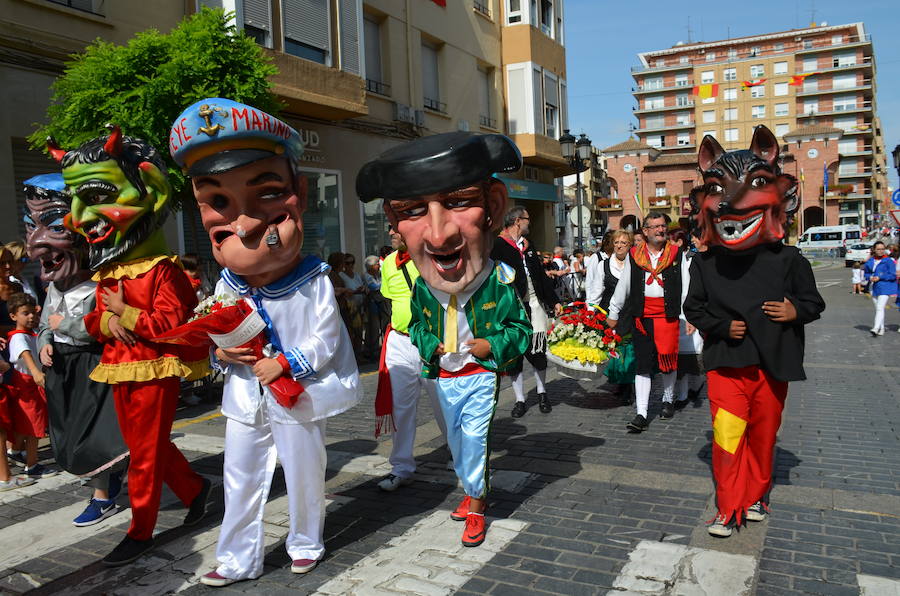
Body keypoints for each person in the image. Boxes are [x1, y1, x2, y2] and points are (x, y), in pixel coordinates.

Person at [170, 98, 361, 587]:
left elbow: (327, 336)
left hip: (295, 395)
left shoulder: (313, 278)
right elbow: (217, 330)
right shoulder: (225, 284)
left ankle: (306, 542)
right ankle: (237, 558)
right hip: (243, 396)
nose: (246, 224)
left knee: (303, 474)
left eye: (266, 196)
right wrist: (221, 353)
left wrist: (287, 364)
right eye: (218, 203)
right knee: (239, 478)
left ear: (297, 193)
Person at [357, 131, 531, 548]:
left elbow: (521, 330)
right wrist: (425, 340)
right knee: (454, 439)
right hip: (442, 373)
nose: (438, 236)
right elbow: (415, 324)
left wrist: (494, 347)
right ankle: (471, 490)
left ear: (493, 208)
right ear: (394, 222)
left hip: (478, 373)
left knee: (473, 438)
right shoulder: (421, 287)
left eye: (457, 202)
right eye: (413, 210)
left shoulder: (498, 283)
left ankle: (477, 505)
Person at [56, 126, 211, 566]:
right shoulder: (108, 273)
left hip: (154, 369)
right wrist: (104, 317)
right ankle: (196, 490)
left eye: (93, 196)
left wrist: (123, 313)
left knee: (143, 452)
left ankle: (140, 530)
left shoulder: (165, 270)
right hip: (116, 365)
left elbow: (168, 324)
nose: (79, 218)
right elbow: (92, 320)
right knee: (147, 446)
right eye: (75, 202)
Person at [685, 125, 825, 537]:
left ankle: (757, 495)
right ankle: (728, 508)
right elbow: (693, 308)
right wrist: (722, 326)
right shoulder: (706, 263)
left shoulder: (790, 261)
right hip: (728, 365)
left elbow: (814, 304)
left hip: (772, 365)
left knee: (763, 438)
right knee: (728, 437)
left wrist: (793, 309)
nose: (730, 201)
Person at [24, 173, 128, 526]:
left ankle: (103, 495)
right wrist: (45, 343)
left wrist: (63, 328)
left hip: (93, 367)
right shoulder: (54, 288)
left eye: (54, 227)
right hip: (62, 370)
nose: (36, 244)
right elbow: (43, 325)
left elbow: (106, 330)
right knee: (71, 437)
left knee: (94, 437)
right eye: (30, 226)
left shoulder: (102, 284)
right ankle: (114, 478)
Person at [372, 228, 447, 492]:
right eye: (389, 226)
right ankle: (401, 467)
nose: (391, 231)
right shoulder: (390, 262)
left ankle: (461, 456)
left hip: (430, 343)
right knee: (401, 407)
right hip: (400, 341)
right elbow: (393, 300)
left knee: (443, 404)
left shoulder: (433, 258)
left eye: (396, 226)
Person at [607, 213, 689, 433]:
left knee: (667, 361)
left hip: (669, 316)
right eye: (655, 227)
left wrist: (688, 316)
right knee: (642, 363)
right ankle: (641, 412)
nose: (660, 230)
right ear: (645, 231)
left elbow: (686, 287)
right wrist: (613, 311)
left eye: (663, 226)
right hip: (642, 316)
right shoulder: (635, 255)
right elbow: (623, 285)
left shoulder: (676, 253)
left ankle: (668, 399)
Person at [491, 206, 561, 418]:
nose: (529, 223)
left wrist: (554, 300)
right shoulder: (497, 245)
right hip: (511, 310)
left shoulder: (529, 247)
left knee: (538, 352)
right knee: (514, 356)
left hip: (535, 307)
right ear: (518, 221)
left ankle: (542, 392)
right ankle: (520, 399)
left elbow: (540, 276)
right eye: (527, 219)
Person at [6, 292, 57, 479]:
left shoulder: (31, 334)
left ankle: (17, 451)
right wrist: (36, 372)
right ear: (13, 316)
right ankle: (33, 465)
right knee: (34, 428)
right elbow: (25, 354)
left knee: (24, 424)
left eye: (33, 313)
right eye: (25, 313)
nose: (31, 317)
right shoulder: (19, 337)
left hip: (29, 386)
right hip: (27, 387)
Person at [586, 230, 636, 403]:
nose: (619, 246)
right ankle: (620, 382)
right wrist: (590, 313)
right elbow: (595, 292)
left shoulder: (635, 263)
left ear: (630, 245)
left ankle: (628, 386)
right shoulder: (604, 265)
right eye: (616, 242)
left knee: (628, 349)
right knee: (615, 348)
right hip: (610, 313)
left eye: (623, 242)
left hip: (630, 312)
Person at [863, 241, 897, 336]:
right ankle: (881, 328)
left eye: (882, 249)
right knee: (878, 308)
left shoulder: (888, 261)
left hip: (886, 286)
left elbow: (892, 275)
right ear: (874, 249)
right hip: (873, 287)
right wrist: (870, 277)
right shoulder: (870, 261)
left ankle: (875, 328)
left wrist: (880, 277)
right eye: (878, 249)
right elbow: (866, 273)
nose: (881, 251)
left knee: (880, 307)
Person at [339, 253, 367, 358]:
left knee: (359, 331)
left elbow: (361, 285)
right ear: (343, 264)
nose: (350, 265)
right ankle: (352, 355)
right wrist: (355, 291)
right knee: (352, 331)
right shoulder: (342, 276)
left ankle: (359, 354)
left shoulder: (356, 275)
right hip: (350, 307)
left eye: (352, 262)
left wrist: (362, 289)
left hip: (361, 306)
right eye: (347, 263)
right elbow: (346, 290)